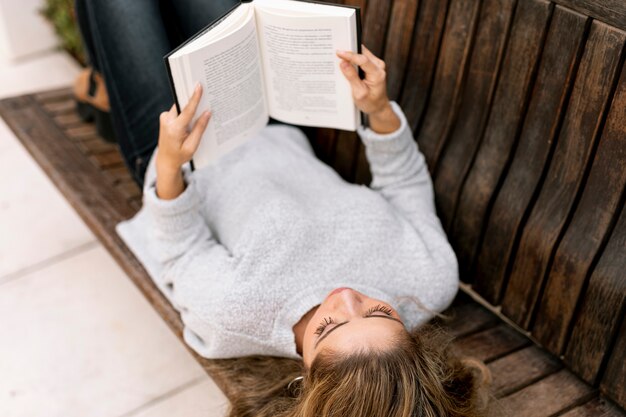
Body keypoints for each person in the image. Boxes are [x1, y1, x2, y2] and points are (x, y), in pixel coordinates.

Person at [77, 1, 492, 416]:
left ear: (305, 375)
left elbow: (182, 246)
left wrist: (169, 161)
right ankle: (102, 80)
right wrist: (378, 108)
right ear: (414, 340)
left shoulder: (235, 314)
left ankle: (104, 86)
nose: (345, 297)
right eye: (380, 311)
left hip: (178, 148)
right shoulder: (428, 277)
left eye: (328, 327)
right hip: (266, 117)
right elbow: (404, 181)